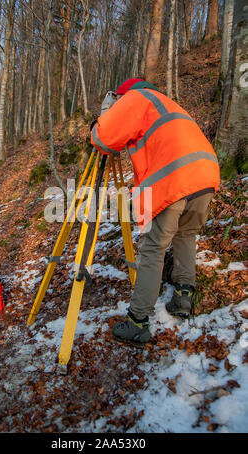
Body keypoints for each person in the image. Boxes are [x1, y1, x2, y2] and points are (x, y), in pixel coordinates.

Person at [90, 78, 220, 348]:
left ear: (124, 95)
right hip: (206, 173)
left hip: (174, 179)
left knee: (153, 248)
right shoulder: (168, 104)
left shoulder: (137, 99)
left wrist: (95, 126)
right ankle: (184, 298)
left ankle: (137, 323)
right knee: (185, 236)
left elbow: (105, 137)